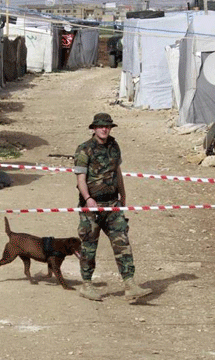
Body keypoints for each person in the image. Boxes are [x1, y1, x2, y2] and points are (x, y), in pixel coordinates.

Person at [73, 113, 152, 301]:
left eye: (107, 126)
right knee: (89, 247)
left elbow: (118, 172)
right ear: (94, 128)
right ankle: (86, 284)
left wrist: (122, 197)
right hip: (92, 207)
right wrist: (88, 199)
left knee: (122, 243)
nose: (104, 129)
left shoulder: (114, 146)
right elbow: (80, 179)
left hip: (112, 205)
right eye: (100, 126)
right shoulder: (84, 150)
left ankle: (130, 284)